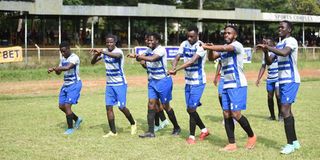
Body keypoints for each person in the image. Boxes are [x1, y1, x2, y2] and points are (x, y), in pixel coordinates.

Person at [202, 25, 256, 151]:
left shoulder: (237, 45)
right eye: (225, 33)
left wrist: (208, 46)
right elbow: (211, 58)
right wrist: (210, 50)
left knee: (236, 114)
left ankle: (252, 136)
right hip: (226, 84)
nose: (226, 35)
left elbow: (224, 48)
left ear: (235, 35)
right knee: (226, 113)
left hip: (237, 84)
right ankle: (231, 143)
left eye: (229, 33)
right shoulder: (223, 48)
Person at [257, 20, 301, 155]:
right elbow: (270, 61)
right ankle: (294, 142)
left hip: (290, 80)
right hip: (283, 81)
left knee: (284, 110)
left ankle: (289, 145)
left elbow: (284, 53)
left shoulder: (291, 41)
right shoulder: (280, 44)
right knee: (288, 110)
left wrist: (268, 47)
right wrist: (265, 51)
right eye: (279, 27)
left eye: (282, 27)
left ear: (289, 30)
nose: (279, 29)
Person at [128, 33, 181, 138]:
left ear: (157, 40)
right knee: (151, 104)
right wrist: (140, 59)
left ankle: (176, 127)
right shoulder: (148, 51)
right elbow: (143, 61)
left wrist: (138, 57)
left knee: (166, 106)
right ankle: (151, 132)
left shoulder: (161, 50)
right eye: (148, 40)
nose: (149, 42)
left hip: (163, 81)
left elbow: (152, 59)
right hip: (152, 81)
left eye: (152, 40)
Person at [169, 26, 210, 145]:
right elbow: (177, 57)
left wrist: (177, 70)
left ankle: (191, 136)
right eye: (188, 36)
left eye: (192, 36)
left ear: (198, 35)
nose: (189, 38)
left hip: (198, 82)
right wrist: (173, 67)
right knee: (191, 110)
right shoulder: (184, 44)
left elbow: (191, 61)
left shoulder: (201, 46)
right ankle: (204, 130)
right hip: (188, 82)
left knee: (191, 109)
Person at [90, 34, 137, 137]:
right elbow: (92, 62)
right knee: (108, 107)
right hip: (109, 84)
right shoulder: (104, 51)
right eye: (107, 42)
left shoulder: (118, 52)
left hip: (120, 83)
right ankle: (113, 131)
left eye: (111, 42)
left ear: (115, 42)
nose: (109, 44)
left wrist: (102, 52)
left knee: (121, 107)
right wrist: (97, 54)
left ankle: (133, 123)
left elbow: (116, 56)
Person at [47, 41, 83, 135]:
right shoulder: (63, 58)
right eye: (61, 52)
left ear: (69, 49)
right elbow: (59, 71)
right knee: (61, 106)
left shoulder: (74, 58)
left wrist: (55, 68)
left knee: (67, 106)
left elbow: (67, 67)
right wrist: (55, 70)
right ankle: (77, 119)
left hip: (74, 84)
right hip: (66, 84)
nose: (62, 53)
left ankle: (70, 128)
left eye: (64, 51)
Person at [255, 38, 283, 121]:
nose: (265, 44)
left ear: (272, 44)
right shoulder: (265, 53)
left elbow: (270, 60)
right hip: (270, 79)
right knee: (270, 97)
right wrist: (258, 78)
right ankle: (272, 116)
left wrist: (266, 51)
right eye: (265, 43)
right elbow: (263, 66)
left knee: (278, 96)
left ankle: (280, 115)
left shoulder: (276, 51)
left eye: (267, 43)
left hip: (278, 78)